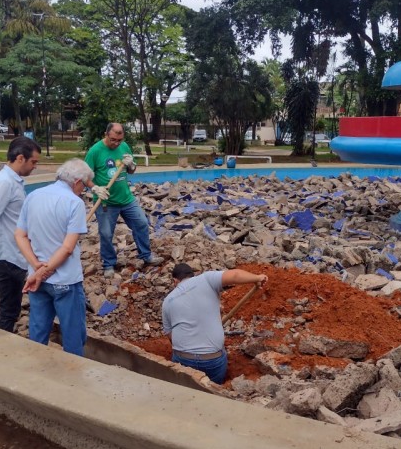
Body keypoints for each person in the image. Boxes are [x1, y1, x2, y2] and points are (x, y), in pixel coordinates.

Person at [14, 159, 91, 356]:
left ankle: (36, 374)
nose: (83, 190)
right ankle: (72, 380)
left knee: (38, 331)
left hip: (36, 279)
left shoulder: (33, 196)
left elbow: (20, 235)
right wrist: (45, 271)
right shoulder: (74, 203)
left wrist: (37, 268)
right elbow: (66, 249)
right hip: (65, 281)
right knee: (73, 336)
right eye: (84, 185)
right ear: (77, 182)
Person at [162, 264, 268, 384]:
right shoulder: (206, 279)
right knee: (213, 391)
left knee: (185, 390)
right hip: (211, 360)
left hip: (183, 359)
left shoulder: (167, 301)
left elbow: (170, 335)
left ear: (175, 281)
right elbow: (235, 275)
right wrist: (257, 278)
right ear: (193, 275)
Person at [0, 137, 41, 332]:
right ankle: (3, 347)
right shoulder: (4, 183)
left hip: (13, 253)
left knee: (11, 305)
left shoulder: (12, 181)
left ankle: (6, 341)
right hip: (7, 255)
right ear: (20, 158)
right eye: (34, 162)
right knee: (10, 306)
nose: (35, 167)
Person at [84, 122, 162, 278]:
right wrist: (95, 188)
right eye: (113, 140)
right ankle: (109, 264)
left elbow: (132, 171)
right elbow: (85, 176)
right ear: (106, 134)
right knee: (106, 234)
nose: (116, 143)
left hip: (126, 199)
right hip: (106, 202)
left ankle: (145, 255)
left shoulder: (124, 147)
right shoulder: (95, 151)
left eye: (119, 140)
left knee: (141, 223)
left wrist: (131, 164)